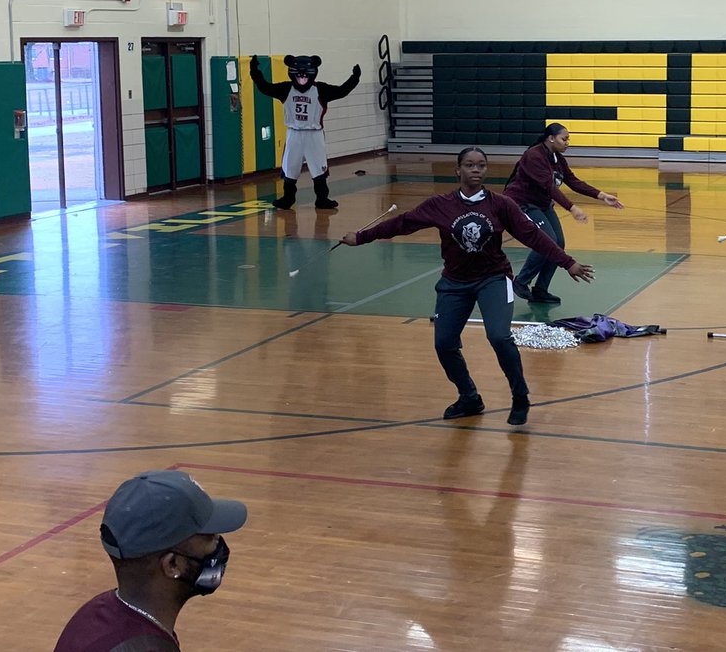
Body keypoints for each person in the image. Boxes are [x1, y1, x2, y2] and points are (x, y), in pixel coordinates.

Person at [344, 147, 595, 426]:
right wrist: (362, 237)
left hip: (493, 279)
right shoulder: (440, 205)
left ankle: (520, 395)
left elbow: (534, 236)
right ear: (458, 170)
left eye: (481, 166)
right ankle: (469, 397)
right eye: (469, 165)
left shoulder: (501, 205)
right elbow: (403, 224)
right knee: (444, 344)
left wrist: (567, 262)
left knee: (500, 337)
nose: (476, 170)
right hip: (454, 283)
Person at [54, 470, 249, 652]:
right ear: (172, 565)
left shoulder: (96, 611)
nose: (218, 542)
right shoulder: (145, 646)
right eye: (209, 536)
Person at [503, 123, 622, 304]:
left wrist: (601, 195)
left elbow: (572, 180)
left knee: (559, 243)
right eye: (564, 139)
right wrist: (572, 208)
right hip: (523, 204)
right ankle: (521, 281)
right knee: (547, 241)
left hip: (542, 205)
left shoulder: (556, 158)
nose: (568, 142)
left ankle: (541, 290)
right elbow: (549, 187)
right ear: (551, 138)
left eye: (568, 139)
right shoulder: (534, 156)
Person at [248, 54, 361, 210]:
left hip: (314, 134)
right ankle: (288, 198)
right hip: (294, 133)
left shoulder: (320, 89)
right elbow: (264, 87)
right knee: (290, 168)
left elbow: (342, 91)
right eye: (298, 73)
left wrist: (355, 78)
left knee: (319, 168)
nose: (301, 76)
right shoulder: (286, 88)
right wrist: (254, 71)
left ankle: (322, 199)